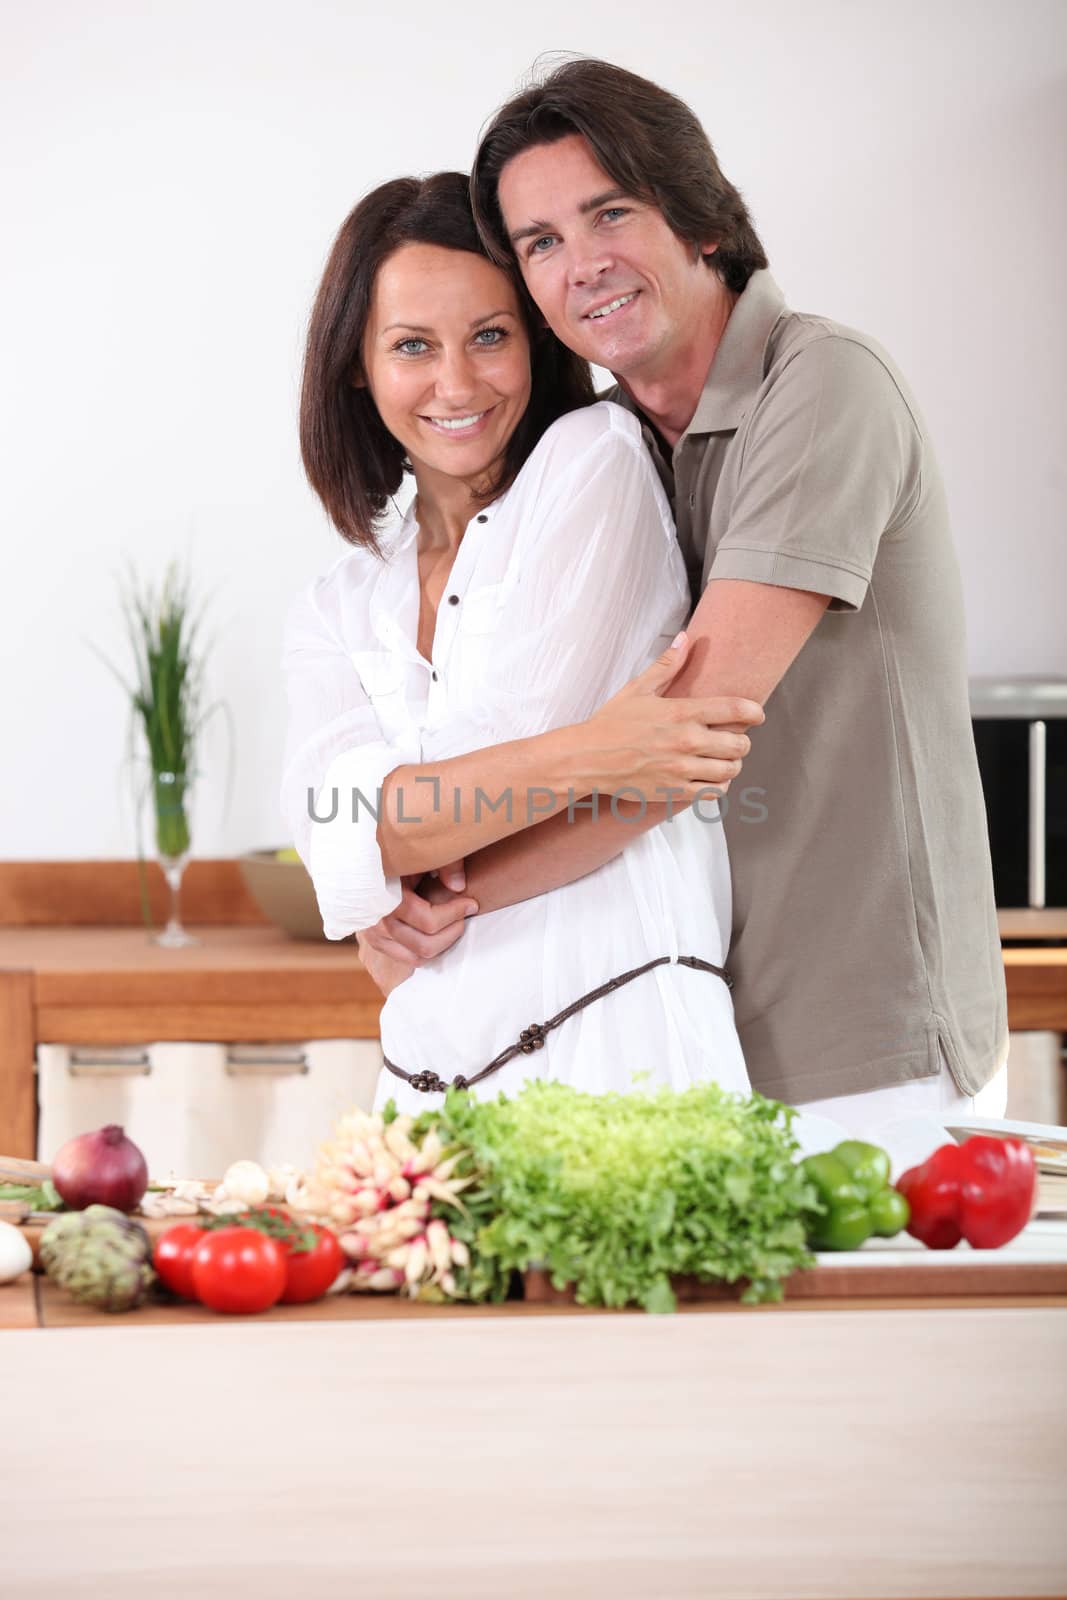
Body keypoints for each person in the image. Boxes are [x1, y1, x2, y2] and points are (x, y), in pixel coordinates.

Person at [358, 60, 1009, 1139]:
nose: (581, 265)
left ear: (697, 217)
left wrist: (430, 901)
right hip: (686, 1029)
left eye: (607, 212)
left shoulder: (822, 386)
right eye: (540, 243)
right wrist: (396, 897)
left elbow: (672, 754)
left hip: (866, 1042)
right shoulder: (611, 450)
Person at [280, 171, 759, 1115]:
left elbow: (473, 775)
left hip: (622, 1048)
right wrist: (594, 751)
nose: (456, 384)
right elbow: (333, 831)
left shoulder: (595, 462)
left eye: (489, 337)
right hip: (430, 1074)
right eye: (412, 345)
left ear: (537, 344)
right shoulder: (335, 604)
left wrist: (389, 861)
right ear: (356, 365)